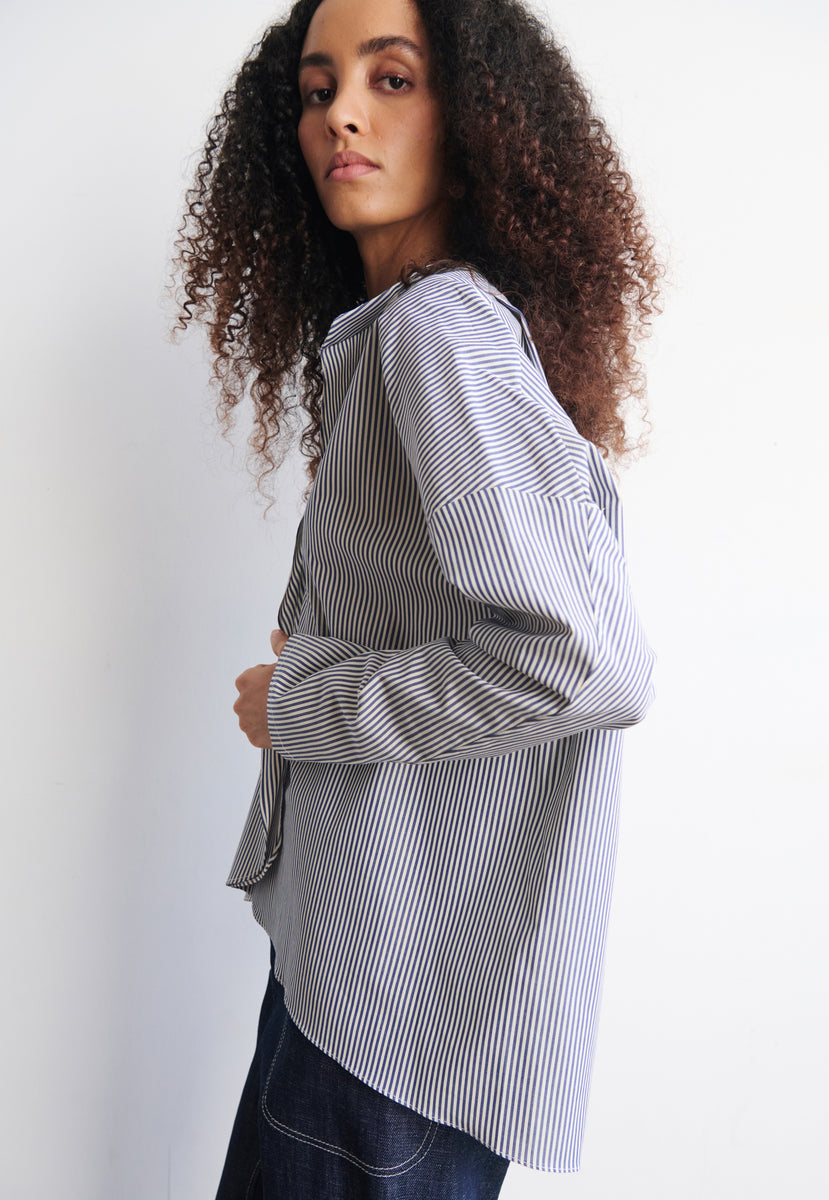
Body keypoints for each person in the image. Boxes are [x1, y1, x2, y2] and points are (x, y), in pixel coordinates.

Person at [175, 0, 660, 1194]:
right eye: (317, 85)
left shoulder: (435, 334)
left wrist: (306, 700)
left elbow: (592, 663)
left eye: (392, 79)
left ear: (477, 116)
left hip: (386, 1014)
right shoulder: (422, 331)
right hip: (386, 988)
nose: (341, 110)